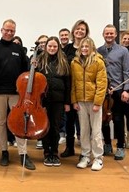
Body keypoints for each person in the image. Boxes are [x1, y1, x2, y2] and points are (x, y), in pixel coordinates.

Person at [0, 19, 35, 170]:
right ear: (1, 30)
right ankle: (4, 152)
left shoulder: (19, 49)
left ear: (15, 31)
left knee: (19, 122)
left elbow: (26, 70)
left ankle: (23, 154)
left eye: (12, 31)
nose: (9, 32)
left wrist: (33, 64)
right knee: (1, 122)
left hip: (16, 93)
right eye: (7, 30)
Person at [71, 37, 107, 171]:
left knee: (96, 131)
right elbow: (73, 84)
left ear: (92, 47)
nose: (84, 49)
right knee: (84, 130)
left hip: (94, 102)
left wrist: (98, 102)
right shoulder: (74, 62)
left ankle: (98, 158)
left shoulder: (98, 61)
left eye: (87, 47)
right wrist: (74, 100)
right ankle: (85, 155)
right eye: (82, 47)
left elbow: (102, 84)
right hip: (81, 102)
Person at [97, 24, 129, 160]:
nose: (109, 36)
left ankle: (121, 146)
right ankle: (107, 144)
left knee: (117, 119)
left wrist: (126, 90)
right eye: (107, 33)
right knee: (104, 120)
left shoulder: (123, 51)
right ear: (103, 35)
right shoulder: (98, 51)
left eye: (111, 33)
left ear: (116, 34)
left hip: (118, 90)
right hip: (103, 91)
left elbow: (127, 71)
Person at [36, 36, 70, 167]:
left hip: (58, 101)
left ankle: (54, 153)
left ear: (58, 47)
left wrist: (67, 102)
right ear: (45, 47)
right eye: (50, 46)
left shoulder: (63, 61)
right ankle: (46, 152)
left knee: (55, 127)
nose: (52, 48)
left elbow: (68, 84)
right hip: (43, 100)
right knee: (45, 127)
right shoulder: (39, 60)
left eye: (55, 46)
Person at [61, 20, 90, 158]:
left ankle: (85, 151)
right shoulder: (66, 49)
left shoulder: (88, 48)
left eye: (82, 29)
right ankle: (70, 147)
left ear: (86, 32)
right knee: (69, 120)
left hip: (84, 90)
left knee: (84, 123)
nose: (80, 31)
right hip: (69, 88)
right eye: (77, 29)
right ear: (73, 31)